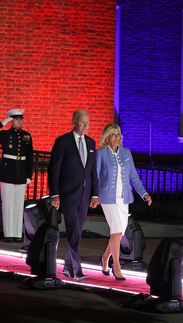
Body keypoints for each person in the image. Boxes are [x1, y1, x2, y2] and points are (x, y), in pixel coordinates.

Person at [95, 123, 152, 280]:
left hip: (124, 198)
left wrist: (144, 193)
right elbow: (94, 177)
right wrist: (93, 196)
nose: (116, 137)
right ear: (106, 138)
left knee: (119, 234)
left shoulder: (126, 153)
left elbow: (133, 176)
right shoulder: (100, 154)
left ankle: (105, 257)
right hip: (108, 198)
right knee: (116, 230)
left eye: (118, 134)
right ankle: (117, 266)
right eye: (113, 134)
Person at [47, 109, 98, 281]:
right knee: (73, 231)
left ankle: (67, 268)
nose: (86, 126)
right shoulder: (63, 142)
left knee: (77, 231)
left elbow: (92, 172)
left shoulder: (91, 143)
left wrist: (95, 195)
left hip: (84, 196)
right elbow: (54, 170)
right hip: (68, 195)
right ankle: (77, 270)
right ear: (74, 122)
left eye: (88, 123)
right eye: (83, 122)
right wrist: (54, 194)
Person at [0, 108, 34, 243]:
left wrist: (29, 174)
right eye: (16, 119)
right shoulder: (5, 134)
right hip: (7, 172)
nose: (19, 121)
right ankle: (8, 234)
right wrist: (3, 122)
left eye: (20, 119)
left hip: (21, 172)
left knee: (19, 205)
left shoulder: (26, 135)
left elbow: (30, 156)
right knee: (8, 204)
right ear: (11, 120)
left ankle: (17, 234)